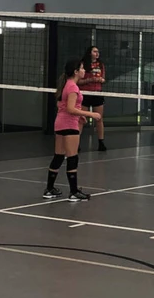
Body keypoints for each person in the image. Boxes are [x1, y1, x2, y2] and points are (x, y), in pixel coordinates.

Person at [42, 59, 100, 201]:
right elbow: (70, 108)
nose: (84, 71)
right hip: (69, 124)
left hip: (60, 123)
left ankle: (49, 189)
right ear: (75, 71)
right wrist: (90, 114)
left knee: (59, 156)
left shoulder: (65, 85)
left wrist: (80, 117)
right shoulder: (73, 87)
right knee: (72, 157)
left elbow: (61, 105)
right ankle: (73, 192)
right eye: (81, 68)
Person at [78, 46, 107, 151]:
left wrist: (100, 80)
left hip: (97, 93)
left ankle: (101, 142)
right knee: (81, 119)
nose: (97, 53)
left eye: (98, 51)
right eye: (95, 51)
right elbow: (78, 81)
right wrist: (90, 80)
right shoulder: (82, 64)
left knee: (99, 119)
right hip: (85, 93)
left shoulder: (101, 64)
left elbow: (104, 79)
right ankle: (77, 143)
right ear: (89, 53)